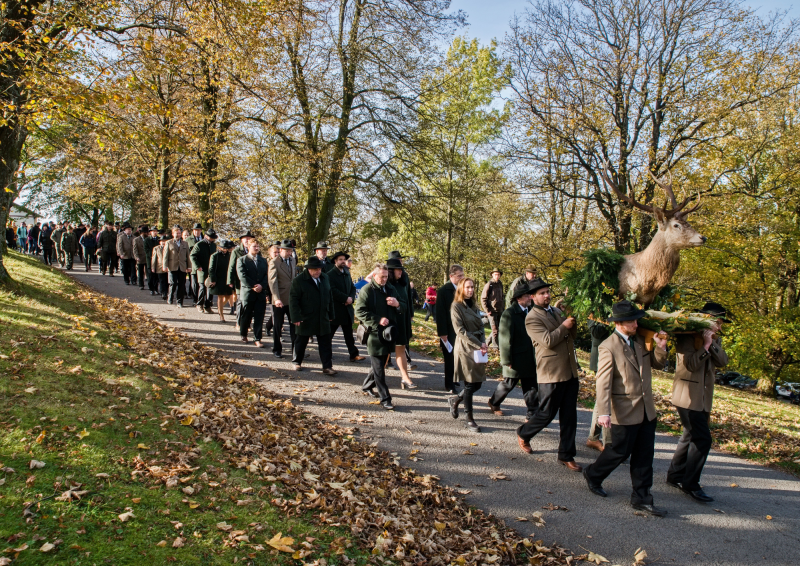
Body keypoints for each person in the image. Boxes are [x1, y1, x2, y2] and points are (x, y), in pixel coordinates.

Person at [583, 300, 669, 517]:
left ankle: (641, 498)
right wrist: (603, 412)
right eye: (631, 321)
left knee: (644, 455)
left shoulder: (640, 341)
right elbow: (603, 382)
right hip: (624, 409)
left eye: (636, 319)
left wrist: (660, 347)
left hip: (646, 410)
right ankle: (593, 474)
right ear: (619, 323)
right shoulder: (608, 346)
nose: (636, 324)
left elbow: (658, 365)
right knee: (618, 451)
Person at [515, 278, 582, 473]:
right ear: (533, 297)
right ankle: (524, 433)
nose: (547, 295)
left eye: (548, 292)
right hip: (550, 373)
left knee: (570, 416)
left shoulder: (557, 311)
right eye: (542, 293)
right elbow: (547, 340)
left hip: (569, 371)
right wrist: (564, 326)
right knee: (546, 413)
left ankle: (566, 454)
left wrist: (571, 321)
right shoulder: (532, 318)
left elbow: (572, 336)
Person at [666, 302, 729, 503]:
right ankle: (690, 484)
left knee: (689, 434)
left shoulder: (714, 338)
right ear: (707, 319)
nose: (720, 327)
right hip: (687, 396)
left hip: (703, 399)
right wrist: (705, 346)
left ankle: (675, 475)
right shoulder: (687, 336)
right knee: (703, 439)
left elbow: (723, 362)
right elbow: (691, 365)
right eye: (718, 322)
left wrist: (711, 343)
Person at [487, 282, 538, 420]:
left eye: (530, 295)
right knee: (508, 384)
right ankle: (494, 402)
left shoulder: (532, 311)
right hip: (515, 357)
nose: (530, 298)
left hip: (529, 356)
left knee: (531, 386)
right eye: (527, 296)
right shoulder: (509, 314)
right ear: (518, 298)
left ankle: (532, 413)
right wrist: (506, 360)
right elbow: (505, 339)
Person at [355, 263, 402, 410]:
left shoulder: (391, 288)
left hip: (388, 334)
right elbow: (359, 311)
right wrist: (378, 319)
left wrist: (397, 304)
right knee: (379, 368)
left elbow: (404, 305)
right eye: (382, 277)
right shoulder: (367, 290)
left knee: (379, 364)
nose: (384, 279)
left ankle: (367, 386)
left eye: (386, 277)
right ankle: (385, 399)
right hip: (373, 334)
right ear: (374, 276)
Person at [447, 278, 489, 432]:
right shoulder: (456, 306)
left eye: (472, 287)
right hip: (465, 348)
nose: (470, 290)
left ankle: (456, 399)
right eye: (467, 287)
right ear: (461, 289)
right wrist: (479, 344)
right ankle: (469, 418)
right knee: (470, 384)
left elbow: (482, 327)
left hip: (478, 347)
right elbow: (460, 331)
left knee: (477, 383)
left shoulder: (475, 305)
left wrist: (483, 342)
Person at [289, 256, 337, 374]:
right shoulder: (299, 280)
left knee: (325, 342)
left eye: (319, 269)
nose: (318, 271)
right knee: (301, 340)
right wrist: (295, 317)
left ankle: (327, 366)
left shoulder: (325, 278)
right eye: (315, 269)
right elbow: (293, 300)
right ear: (308, 269)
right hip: (305, 316)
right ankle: (297, 362)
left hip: (323, 316)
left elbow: (329, 296)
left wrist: (331, 313)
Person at [327, 251, 365, 362]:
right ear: (335, 261)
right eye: (340, 259)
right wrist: (345, 298)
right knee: (329, 334)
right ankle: (326, 354)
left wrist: (351, 298)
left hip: (347, 309)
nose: (343, 261)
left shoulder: (347, 272)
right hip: (335, 309)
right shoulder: (330, 274)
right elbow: (332, 290)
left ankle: (353, 354)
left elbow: (352, 288)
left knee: (349, 334)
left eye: (344, 259)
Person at [387, 259, 416, 388]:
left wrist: (410, 314)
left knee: (401, 348)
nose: (401, 271)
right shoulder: (385, 283)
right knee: (385, 351)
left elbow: (408, 299)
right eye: (398, 269)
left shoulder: (404, 282)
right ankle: (377, 379)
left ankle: (405, 377)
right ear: (391, 271)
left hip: (403, 318)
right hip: (389, 321)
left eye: (401, 269)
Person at [436, 264, 465, 393]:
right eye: (459, 276)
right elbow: (440, 313)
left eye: (462, 275)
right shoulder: (443, 291)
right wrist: (442, 333)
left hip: (461, 329)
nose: (461, 278)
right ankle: (449, 384)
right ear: (451, 276)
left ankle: (455, 379)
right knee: (449, 357)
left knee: (458, 356)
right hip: (448, 329)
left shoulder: (463, 289)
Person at [268, 239, 298, 358]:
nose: (289, 252)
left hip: (291, 299)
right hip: (279, 299)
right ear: (280, 250)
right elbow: (272, 281)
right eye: (287, 250)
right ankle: (277, 349)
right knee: (277, 326)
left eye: (290, 250)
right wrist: (276, 298)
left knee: (294, 325)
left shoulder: (293, 260)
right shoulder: (274, 262)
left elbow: (294, 278)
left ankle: (295, 350)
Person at [586, 319, 613, 451]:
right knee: (606, 396)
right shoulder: (596, 305)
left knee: (603, 397)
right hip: (601, 358)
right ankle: (608, 444)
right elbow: (596, 333)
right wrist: (611, 318)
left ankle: (594, 437)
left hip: (617, 356)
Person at [236, 239, 269, 346]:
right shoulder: (242, 260)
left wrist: (261, 286)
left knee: (260, 316)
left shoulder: (263, 260)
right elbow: (242, 276)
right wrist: (253, 286)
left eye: (258, 246)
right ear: (249, 247)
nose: (256, 248)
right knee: (246, 315)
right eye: (254, 246)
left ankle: (257, 338)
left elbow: (266, 275)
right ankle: (243, 334)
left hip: (260, 293)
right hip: (248, 292)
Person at [190, 228, 218, 314]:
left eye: (213, 238)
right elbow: (192, 256)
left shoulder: (214, 245)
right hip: (201, 269)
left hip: (211, 270)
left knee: (210, 288)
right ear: (206, 236)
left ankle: (208, 305)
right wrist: (197, 266)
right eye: (211, 237)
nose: (212, 239)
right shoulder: (199, 245)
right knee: (202, 287)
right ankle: (199, 304)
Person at [227, 230, 253, 317]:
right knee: (240, 302)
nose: (247, 240)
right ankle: (239, 322)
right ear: (241, 240)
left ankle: (247, 323)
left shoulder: (255, 250)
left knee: (249, 302)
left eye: (249, 238)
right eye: (245, 238)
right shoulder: (236, 251)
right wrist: (230, 280)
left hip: (251, 280)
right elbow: (231, 267)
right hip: (239, 281)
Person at [209, 240, 236, 322]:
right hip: (218, 278)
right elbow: (211, 269)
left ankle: (219, 307)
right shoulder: (215, 256)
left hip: (228, 278)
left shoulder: (230, 255)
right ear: (219, 247)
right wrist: (213, 280)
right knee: (220, 297)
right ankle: (221, 316)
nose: (224, 250)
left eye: (226, 248)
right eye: (223, 248)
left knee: (229, 295)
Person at [162, 226, 189, 307]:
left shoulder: (185, 243)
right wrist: (165, 266)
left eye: (179, 233)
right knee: (173, 283)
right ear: (173, 234)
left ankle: (180, 301)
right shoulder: (168, 243)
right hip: (172, 266)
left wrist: (189, 267)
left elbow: (188, 256)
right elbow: (165, 255)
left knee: (181, 284)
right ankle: (170, 297)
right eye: (176, 233)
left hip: (182, 266)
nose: (178, 234)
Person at [481, 268, 505, 348]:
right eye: (495, 274)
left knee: (499, 329)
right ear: (492, 275)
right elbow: (483, 298)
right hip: (492, 311)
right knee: (495, 330)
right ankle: (495, 347)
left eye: (498, 274)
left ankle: (487, 342)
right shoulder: (489, 284)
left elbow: (502, 297)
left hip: (500, 310)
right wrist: (487, 310)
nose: (497, 276)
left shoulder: (500, 284)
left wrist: (503, 308)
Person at [265, 241, 280, 336]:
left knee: (277, 314)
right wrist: (266, 294)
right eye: (275, 252)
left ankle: (268, 326)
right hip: (270, 292)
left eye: (278, 252)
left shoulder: (281, 262)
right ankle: (274, 332)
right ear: (270, 253)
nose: (277, 254)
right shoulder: (266, 263)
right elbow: (266, 280)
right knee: (275, 314)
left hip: (280, 291)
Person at [186, 223, 204, 305]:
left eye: (198, 230)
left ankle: (201, 299)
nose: (197, 232)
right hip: (192, 264)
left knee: (202, 283)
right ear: (193, 231)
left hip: (203, 264)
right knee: (194, 283)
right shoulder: (188, 240)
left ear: (201, 231)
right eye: (195, 230)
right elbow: (186, 253)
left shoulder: (204, 239)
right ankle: (195, 299)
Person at [152, 235, 170, 300]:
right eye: (162, 241)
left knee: (167, 281)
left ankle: (167, 292)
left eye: (164, 241)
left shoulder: (169, 247)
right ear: (160, 242)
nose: (163, 242)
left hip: (168, 267)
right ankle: (163, 293)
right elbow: (154, 259)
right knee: (161, 281)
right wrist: (153, 267)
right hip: (159, 267)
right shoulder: (156, 248)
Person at [144, 226, 160, 294]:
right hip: (149, 260)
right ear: (150, 232)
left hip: (158, 260)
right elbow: (146, 250)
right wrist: (153, 255)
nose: (155, 232)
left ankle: (156, 288)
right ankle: (151, 289)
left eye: (156, 231)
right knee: (150, 275)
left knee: (157, 276)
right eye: (153, 231)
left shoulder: (159, 239)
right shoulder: (147, 240)